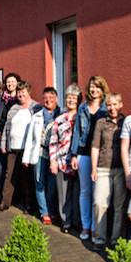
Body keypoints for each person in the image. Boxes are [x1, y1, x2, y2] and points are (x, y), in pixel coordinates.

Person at [69, 75, 110, 240]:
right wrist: (73, 154)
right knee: (85, 191)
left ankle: (95, 228)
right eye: (92, 87)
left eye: (97, 87)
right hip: (84, 154)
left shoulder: (107, 107)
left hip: (101, 155)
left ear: (102, 89)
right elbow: (77, 132)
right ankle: (86, 226)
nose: (94, 90)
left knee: (98, 194)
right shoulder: (83, 107)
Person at [91, 93, 126, 250]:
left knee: (119, 206)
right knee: (100, 203)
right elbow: (95, 146)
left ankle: (116, 240)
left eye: (114, 104)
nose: (112, 108)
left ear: (120, 105)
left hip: (120, 170)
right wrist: (94, 169)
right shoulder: (101, 123)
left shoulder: (126, 122)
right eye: (109, 105)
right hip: (103, 168)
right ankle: (99, 238)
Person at [0, 81, 37, 213]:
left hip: (27, 149)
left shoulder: (36, 108)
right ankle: (5, 202)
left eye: (23, 92)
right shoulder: (14, 108)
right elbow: (7, 128)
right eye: (18, 92)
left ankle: (29, 205)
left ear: (28, 92)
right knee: (9, 175)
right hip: (13, 147)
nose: (20, 94)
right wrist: (3, 144)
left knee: (26, 177)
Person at [23, 87, 61, 224]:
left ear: (56, 99)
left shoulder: (61, 115)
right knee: (39, 182)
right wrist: (26, 158)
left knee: (52, 185)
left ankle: (52, 210)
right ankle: (44, 212)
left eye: (51, 97)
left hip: (55, 155)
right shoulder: (37, 116)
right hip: (39, 152)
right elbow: (30, 139)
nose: (48, 100)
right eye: (46, 97)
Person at [49, 84, 81, 233]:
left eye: (74, 97)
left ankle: (77, 222)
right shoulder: (60, 119)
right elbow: (53, 141)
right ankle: (66, 222)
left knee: (78, 193)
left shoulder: (82, 116)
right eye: (68, 97)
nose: (71, 100)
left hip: (80, 161)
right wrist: (53, 161)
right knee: (64, 194)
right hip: (62, 161)